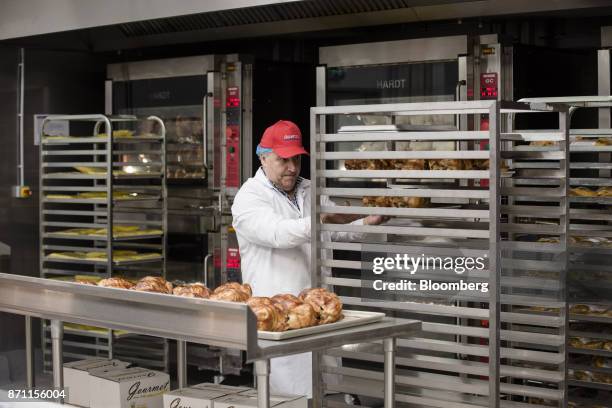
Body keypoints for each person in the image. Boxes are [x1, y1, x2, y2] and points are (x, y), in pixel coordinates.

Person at [231, 120, 386, 397]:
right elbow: (279, 233)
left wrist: (368, 222)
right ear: (263, 157)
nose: (292, 167)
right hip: (279, 317)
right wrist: (320, 217)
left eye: (296, 159)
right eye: (283, 160)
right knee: (287, 397)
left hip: (321, 311)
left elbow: (334, 232)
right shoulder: (249, 197)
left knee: (328, 393)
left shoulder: (309, 189)